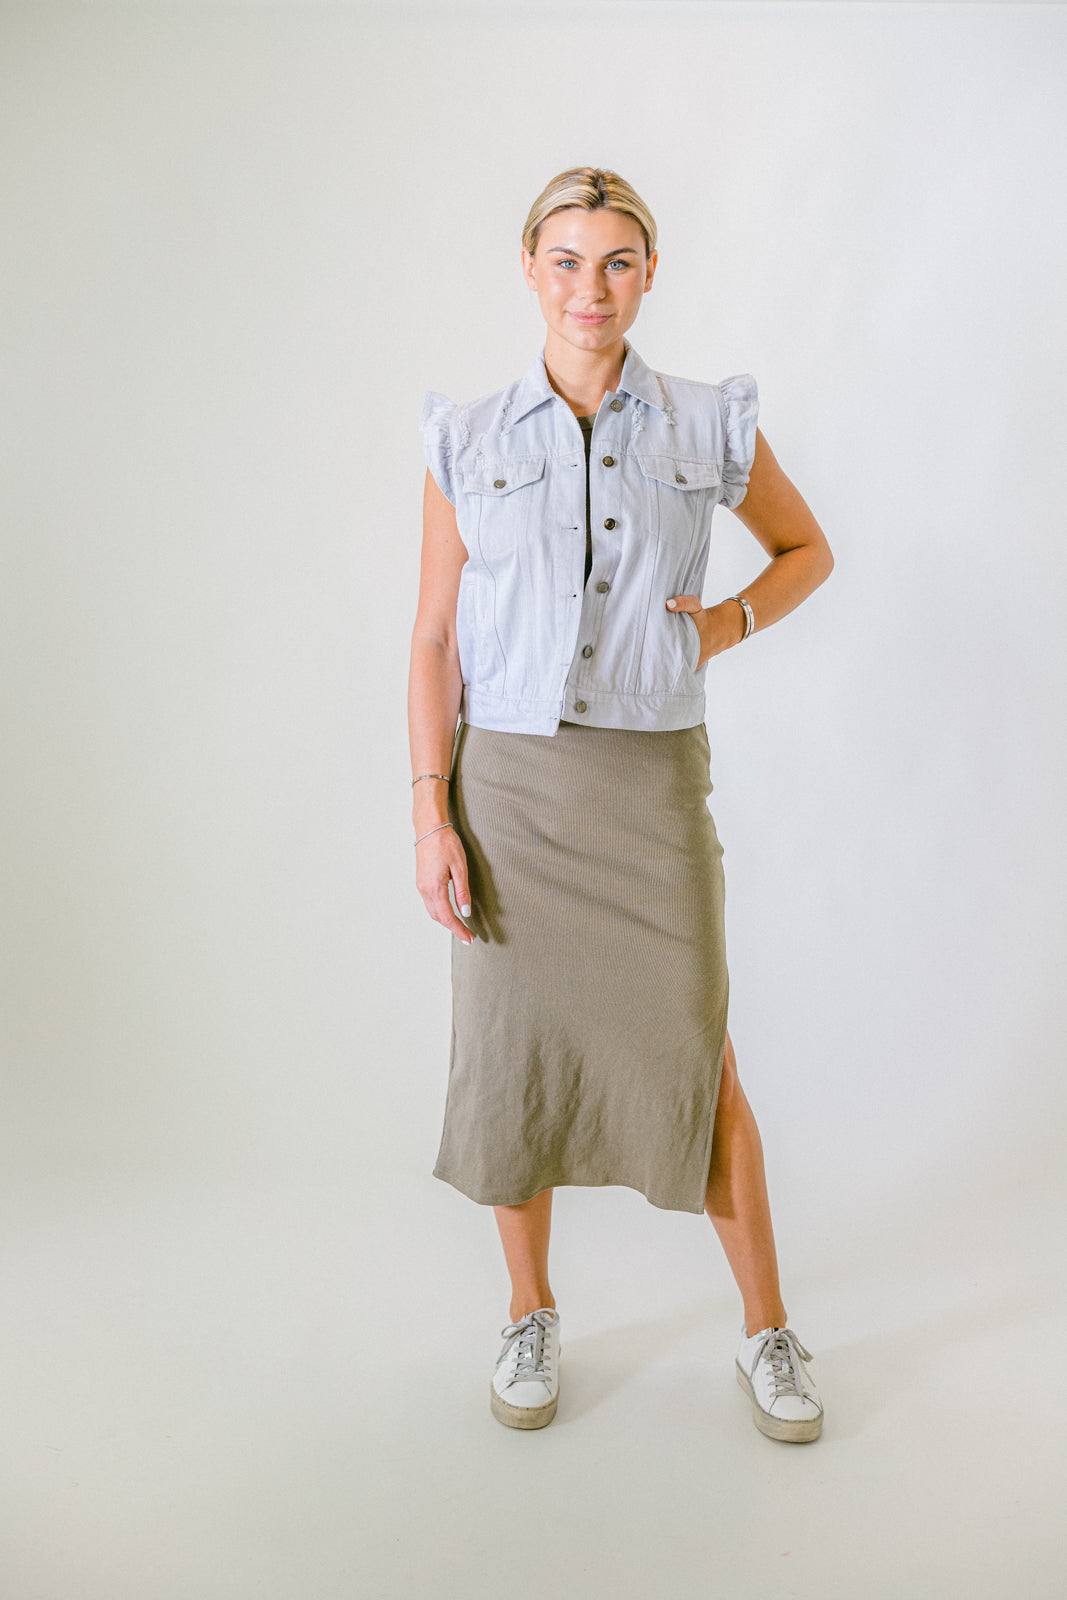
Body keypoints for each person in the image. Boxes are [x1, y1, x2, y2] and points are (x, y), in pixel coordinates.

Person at [408, 167, 835, 1442]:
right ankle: (528, 1311)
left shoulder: (703, 424)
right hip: (507, 791)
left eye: (615, 261)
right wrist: (431, 814)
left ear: (648, 274)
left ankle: (766, 1330)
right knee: (510, 1053)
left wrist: (725, 621)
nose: (588, 288)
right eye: (565, 259)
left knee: (698, 1057)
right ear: (527, 269)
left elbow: (805, 550)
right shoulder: (469, 439)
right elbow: (433, 638)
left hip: (648, 783)